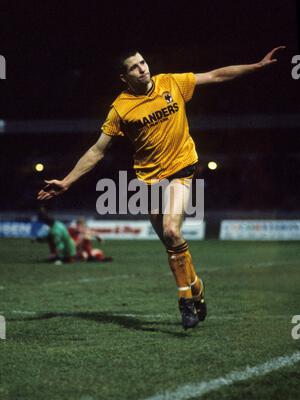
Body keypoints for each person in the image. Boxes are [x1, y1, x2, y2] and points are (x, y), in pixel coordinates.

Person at [38, 46, 285, 329]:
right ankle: (196, 287)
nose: (142, 68)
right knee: (171, 242)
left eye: (143, 62)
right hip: (149, 181)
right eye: (134, 67)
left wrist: (255, 66)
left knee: (171, 230)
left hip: (181, 167)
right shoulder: (120, 108)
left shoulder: (171, 83)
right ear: (124, 76)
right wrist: (67, 181)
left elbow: (216, 76)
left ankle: (185, 302)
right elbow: (97, 150)